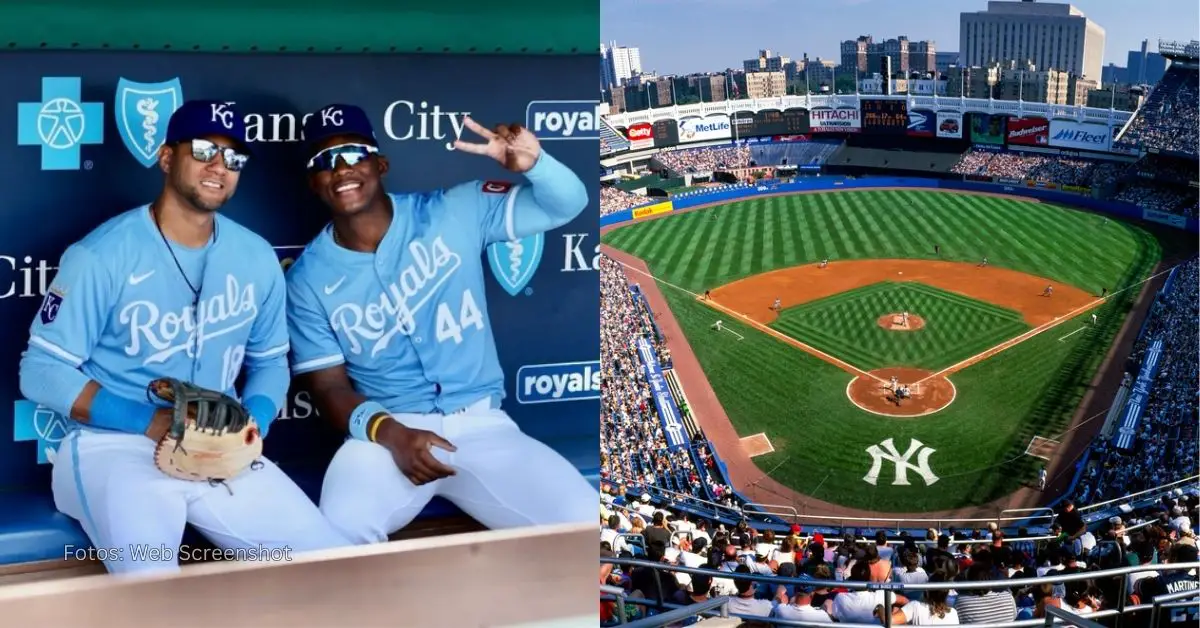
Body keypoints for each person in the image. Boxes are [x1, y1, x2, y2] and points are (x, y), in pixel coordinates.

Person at [17, 100, 349, 575]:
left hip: (221, 443)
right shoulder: (101, 255)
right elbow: (42, 373)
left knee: (334, 567)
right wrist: (150, 422)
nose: (220, 166)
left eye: (233, 158)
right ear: (167, 157)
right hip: (112, 446)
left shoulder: (255, 257)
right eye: (204, 150)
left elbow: (270, 363)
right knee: (151, 582)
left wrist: (251, 425)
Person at [284, 104, 596, 542]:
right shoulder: (306, 279)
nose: (340, 170)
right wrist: (391, 434)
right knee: (339, 533)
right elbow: (329, 388)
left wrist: (536, 164)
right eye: (324, 162)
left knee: (583, 521)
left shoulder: (453, 210)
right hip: (385, 436)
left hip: (483, 426)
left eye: (353, 153)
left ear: (381, 163)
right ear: (313, 182)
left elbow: (568, 203)